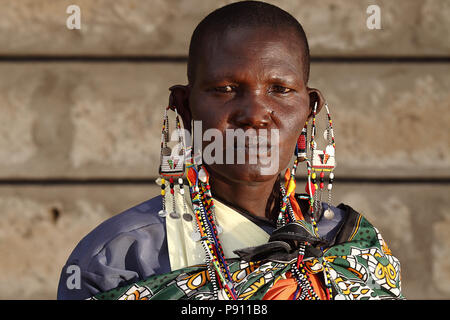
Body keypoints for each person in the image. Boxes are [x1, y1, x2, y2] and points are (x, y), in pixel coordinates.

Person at [57, 1, 404, 300]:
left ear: (309, 109)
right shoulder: (121, 257)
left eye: (280, 89)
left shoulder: (350, 246)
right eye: (225, 89)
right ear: (185, 108)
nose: (254, 114)